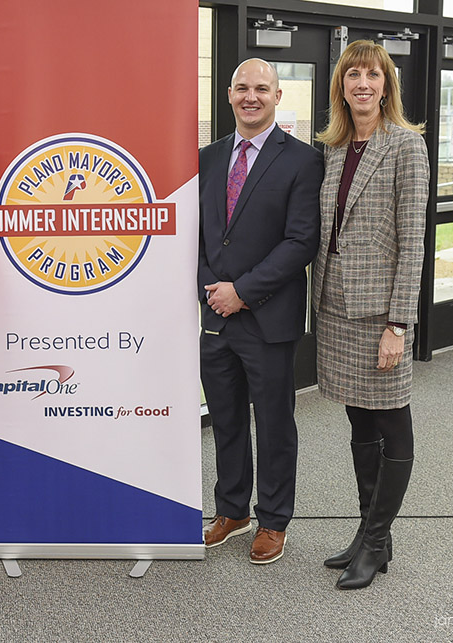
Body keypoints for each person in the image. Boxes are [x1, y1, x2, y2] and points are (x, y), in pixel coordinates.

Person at [312, 40, 429, 590]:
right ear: (342, 84)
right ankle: (368, 533)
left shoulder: (406, 145)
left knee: (392, 421)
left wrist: (398, 325)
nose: (362, 83)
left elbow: (412, 243)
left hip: (381, 313)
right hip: (337, 307)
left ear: (387, 86)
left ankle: (378, 540)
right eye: (353, 74)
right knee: (359, 419)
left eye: (373, 75)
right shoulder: (334, 148)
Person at [198, 59, 323, 564]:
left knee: (273, 425)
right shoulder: (207, 158)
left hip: (268, 317)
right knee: (225, 420)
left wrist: (243, 291)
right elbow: (199, 235)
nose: (251, 96)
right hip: (215, 316)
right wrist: (212, 290)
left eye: (262, 89)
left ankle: (273, 519)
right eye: (242, 88)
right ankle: (232, 510)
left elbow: (300, 242)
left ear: (277, 96)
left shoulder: (302, 160)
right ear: (229, 94)